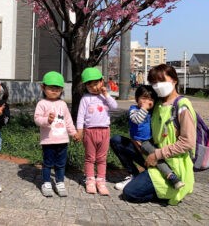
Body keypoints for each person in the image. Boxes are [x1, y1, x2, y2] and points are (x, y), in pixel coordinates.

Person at [111, 64, 196, 205]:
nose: (157, 86)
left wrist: (156, 155)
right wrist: (135, 140)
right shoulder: (157, 104)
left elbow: (188, 142)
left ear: (174, 80)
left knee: (130, 193)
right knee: (117, 140)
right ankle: (135, 175)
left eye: (161, 81)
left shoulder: (182, 107)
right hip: (149, 152)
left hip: (170, 164)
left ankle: (169, 189)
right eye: (154, 82)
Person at [127, 85, 185, 190]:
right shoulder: (133, 109)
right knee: (157, 157)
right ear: (137, 99)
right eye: (143, 98)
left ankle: (166, 174)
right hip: (143, 142)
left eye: (150, 99)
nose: (147, 102)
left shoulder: (153, 112)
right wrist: (144, 108)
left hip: (151, 140)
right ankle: (172, 177)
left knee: (156, 156)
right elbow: (136, 120)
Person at [74, 67, 118, 195]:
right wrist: (80, 131)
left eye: (96, 83)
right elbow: (80, 116)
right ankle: (90, 180)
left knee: (102, 158)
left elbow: (114, 106)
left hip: (104, 131)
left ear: (102, 82)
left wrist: (106, 94)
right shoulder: (85, 99)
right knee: (90, 158)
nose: (94, 87)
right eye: (90, 85)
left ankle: (101, 181)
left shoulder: (105, 97)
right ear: (86, 86)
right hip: (90, 131)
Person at [34, 71, 77, 197]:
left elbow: (68, 120)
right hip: (48, 140)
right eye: (51, 88)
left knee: (61, 164)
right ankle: (46, 183)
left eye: (57, 89)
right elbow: (37, 119)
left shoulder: (62, 104)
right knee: (47, 163)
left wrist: (73, 132)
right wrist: (47, 120)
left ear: (62, 89)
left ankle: (60, 183)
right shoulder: (42, 104)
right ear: (43, 87)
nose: (54, 91)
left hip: (62, 140)